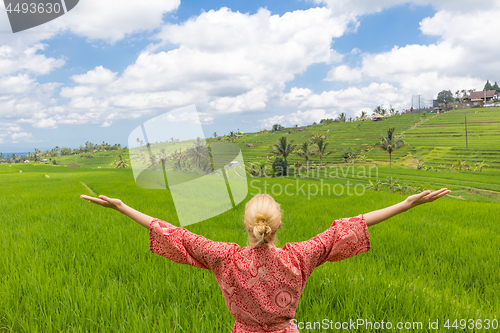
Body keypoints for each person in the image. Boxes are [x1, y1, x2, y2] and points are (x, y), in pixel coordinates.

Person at [80, 188, 450, 332]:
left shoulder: (224, 258)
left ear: (247, 225)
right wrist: (405, 204)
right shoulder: (300, 256)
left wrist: (124, 207)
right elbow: (350, 226)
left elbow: (172, 232)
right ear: (278, 226)